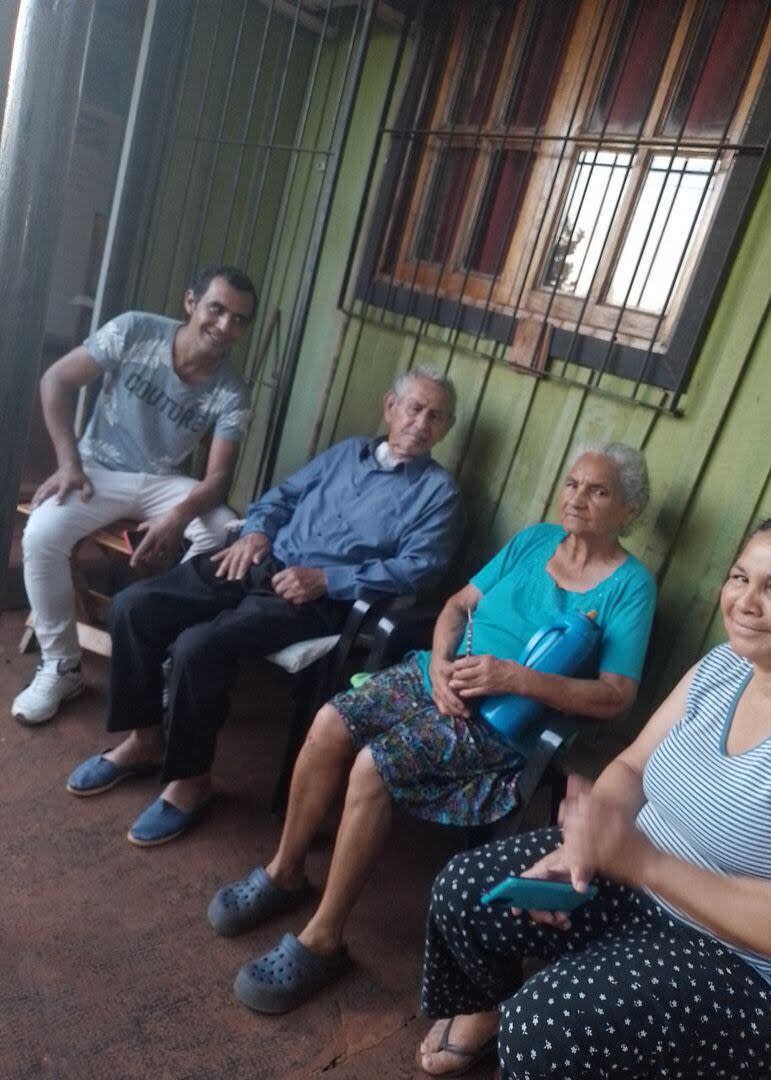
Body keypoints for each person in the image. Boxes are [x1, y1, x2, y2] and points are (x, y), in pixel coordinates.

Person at [206, 442, 657, 1016]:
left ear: (630, 511)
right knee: (330, 722)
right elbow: (456, 605)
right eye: (573, 484)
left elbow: (617, 696)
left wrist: (515, 679)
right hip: (437, 676)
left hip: (499, 720)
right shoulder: (534, 541)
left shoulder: (630, 586)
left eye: (599, 491)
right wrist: (441, 664)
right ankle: (285, 871)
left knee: (374, 765)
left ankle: (324, 938)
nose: (577, 499)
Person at [416, 512, 771, 1080]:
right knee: (465, 891)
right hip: (638, 875)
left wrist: (641, 861)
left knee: (542, 1026)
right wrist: (584, 844)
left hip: (743, 960)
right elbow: (630, 766)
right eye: (739, 577)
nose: (745, 601)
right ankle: (484, 1011)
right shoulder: (724, 665)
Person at [66, 366, 461, 846]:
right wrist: (255, 531)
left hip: (314, 597)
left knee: (199, 645)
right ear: (390, 407)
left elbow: (419, 569)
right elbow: (282, 497)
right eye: (415, 408)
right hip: (259, 559)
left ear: (446, 428)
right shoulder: (347, 453)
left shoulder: (438, 494)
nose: (421, 424)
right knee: (134, 606)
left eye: (436, 416)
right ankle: (144, 741)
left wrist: (327, 579)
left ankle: (191, 782)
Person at [13, 264, 258, 726]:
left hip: (165, 483)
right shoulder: (135, 330)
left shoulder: (232, 391)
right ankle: (62, 665)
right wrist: (69, 462)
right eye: (217, 309)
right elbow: (55, 381)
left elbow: (217, 478)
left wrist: (179, 516)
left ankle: (165, 651)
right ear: (191, 303)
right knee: (41, 533)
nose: (226, 326)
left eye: (240, 319)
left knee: (224, 534)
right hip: (99, 470)